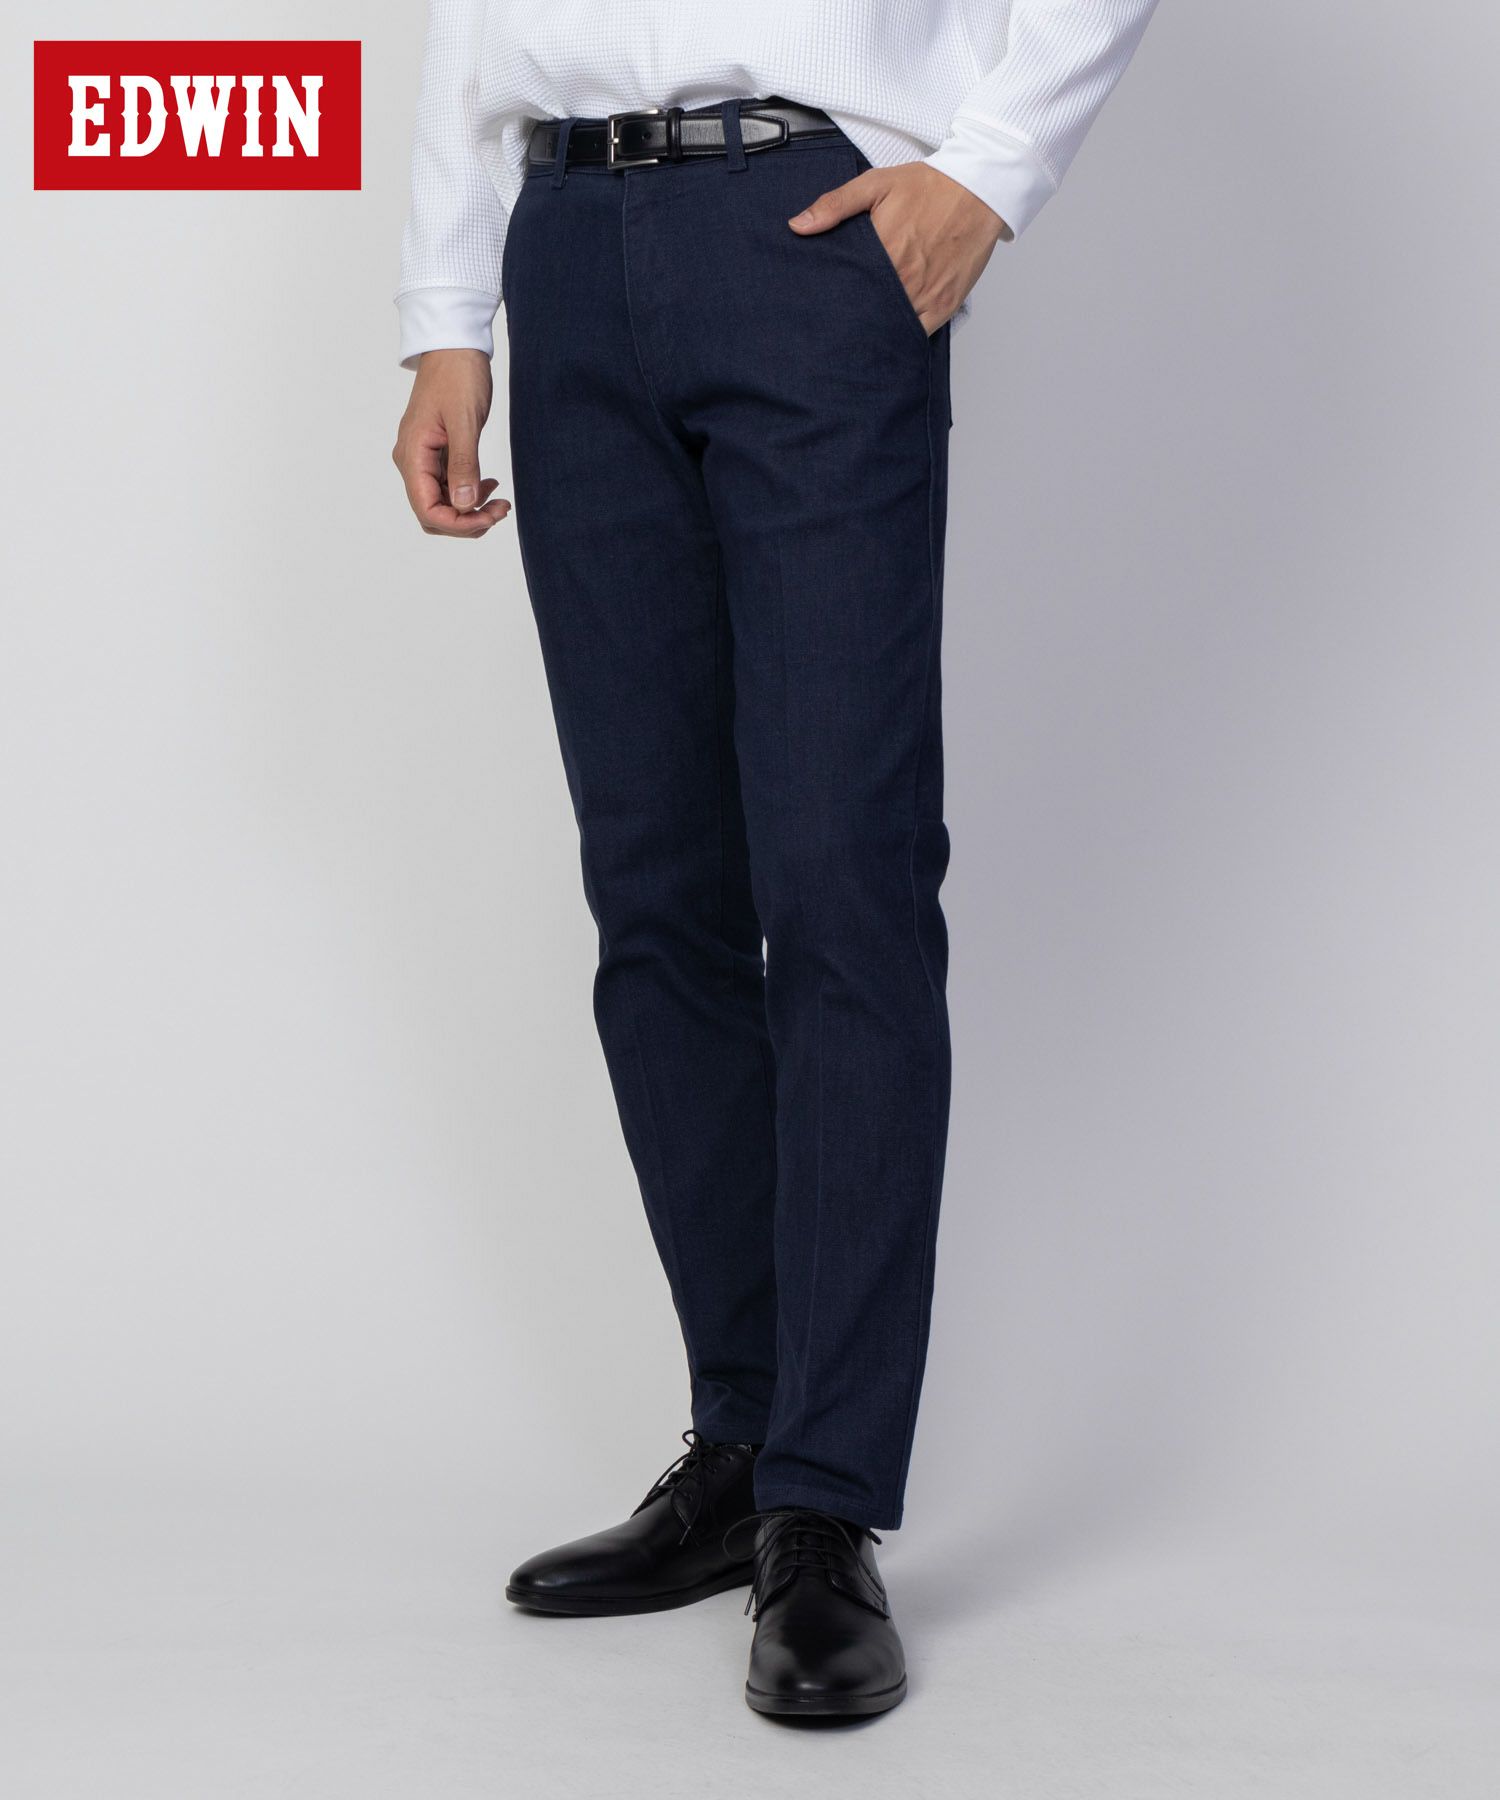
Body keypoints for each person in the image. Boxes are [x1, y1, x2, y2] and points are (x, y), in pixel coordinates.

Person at [392, 0, 1157, 1719]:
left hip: (804, 232)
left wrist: (992, 169)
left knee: (843, 881)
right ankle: (742, 1444)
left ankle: (824, 1501)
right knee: (656, 894)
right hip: (565, 238)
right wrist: (445, 312)